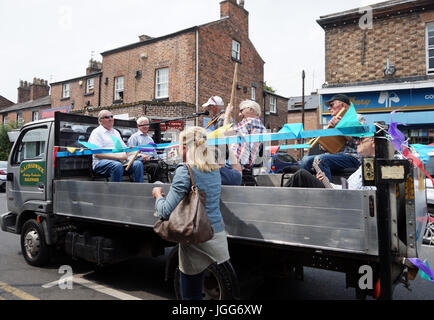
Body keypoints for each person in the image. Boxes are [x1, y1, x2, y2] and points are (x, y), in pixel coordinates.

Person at [152, 126, 230, 300]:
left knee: (190, 295)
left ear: (185, 148)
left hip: (195, 236)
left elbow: (164, 211)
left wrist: (157, 195)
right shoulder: (214, 169)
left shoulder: (185, 170)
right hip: (215, 234)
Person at [300, 94, 367, 182]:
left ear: (343, 105)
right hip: (336, 156)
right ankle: (307, 188)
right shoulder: (333, 121)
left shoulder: (356, 118)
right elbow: (327, 146)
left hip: (353, 157)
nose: (328, 108)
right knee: (305, 160)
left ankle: (328, 192)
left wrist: (340, 127)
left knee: (320, 159)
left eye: (331, 105)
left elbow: (359, 140)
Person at [286, 137, 376, 190]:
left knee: (301, 175)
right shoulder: (364, 166)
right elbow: (346, 188)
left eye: (361, 139)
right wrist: (326, 181)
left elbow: (359, 193)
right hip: (341, 194)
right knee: (305, 161)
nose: (357, 142)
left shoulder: (376, 166)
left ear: (373, 142)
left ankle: (277, 201)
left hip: (344, 200)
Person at [88, 110, 144, 183]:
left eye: (111, 116)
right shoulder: (96, 133)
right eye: (107, 117)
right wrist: (119, 157)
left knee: (138, 164)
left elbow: (125, 149)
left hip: (119, 162)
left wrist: (138, 154)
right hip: (101, 163)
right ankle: (115, 191)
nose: (110, 119)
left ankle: (139, 189)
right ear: (100, 120)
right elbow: (97, 154)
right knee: (116, 166)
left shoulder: (115, 132)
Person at [225, 99, 267, 170]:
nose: (239, 114)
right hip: (244, 164)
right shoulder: (259, 125)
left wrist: (227, 114)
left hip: (236, 162)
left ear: (251, 110)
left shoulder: (250, 121)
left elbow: (226, 132)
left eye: (241, 111)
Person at [128, 116, 162, 183]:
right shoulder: (134, 137)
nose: (146, 127)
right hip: (141, 162)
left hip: (151, 160)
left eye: (147, 125)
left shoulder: (150, 138)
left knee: (163, 164)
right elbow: (130, 152)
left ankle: (161, 185)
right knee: (155, 167)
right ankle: (155, 186)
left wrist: (162, 156)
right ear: (138, 126)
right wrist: (141, 155)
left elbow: (154, 152)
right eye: (143, 125)